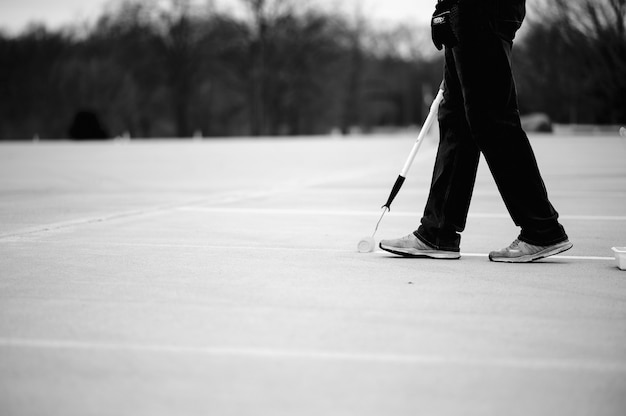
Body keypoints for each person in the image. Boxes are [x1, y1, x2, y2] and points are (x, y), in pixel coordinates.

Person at [379, 0, 572, 262]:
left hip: (478, 8)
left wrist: (447, 5)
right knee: (457, 119)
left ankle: (542, 228)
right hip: (468, 9)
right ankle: (438, 231)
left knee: (490, 117)